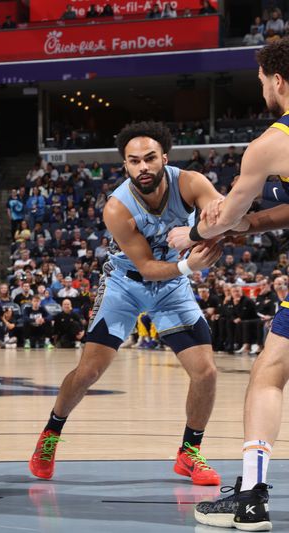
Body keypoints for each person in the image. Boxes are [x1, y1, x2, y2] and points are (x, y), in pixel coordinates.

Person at [29, 121, 224, 487]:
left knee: (206, 371)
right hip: (126, 283)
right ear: (125, 166)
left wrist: (207, 230)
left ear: (164, 158)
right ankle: (50, 434)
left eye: (150, 158)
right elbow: (148, 268)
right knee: (88, 373)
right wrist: (190, 264)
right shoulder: (117, 208)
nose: (143, 167)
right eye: (134, 161)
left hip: (173, 286)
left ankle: (189, 453)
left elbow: (221, 213)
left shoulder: (191, 183)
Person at [175, 39, 289, 530]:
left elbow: (229, 214)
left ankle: (252, 498)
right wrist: (254, 225)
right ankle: (248, 493)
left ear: (277, 81)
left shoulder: (272, 143)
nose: (261, 87)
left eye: (262, 80)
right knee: (270, 364)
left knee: (267, 376)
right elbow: (259, 219)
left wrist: (194, 233)